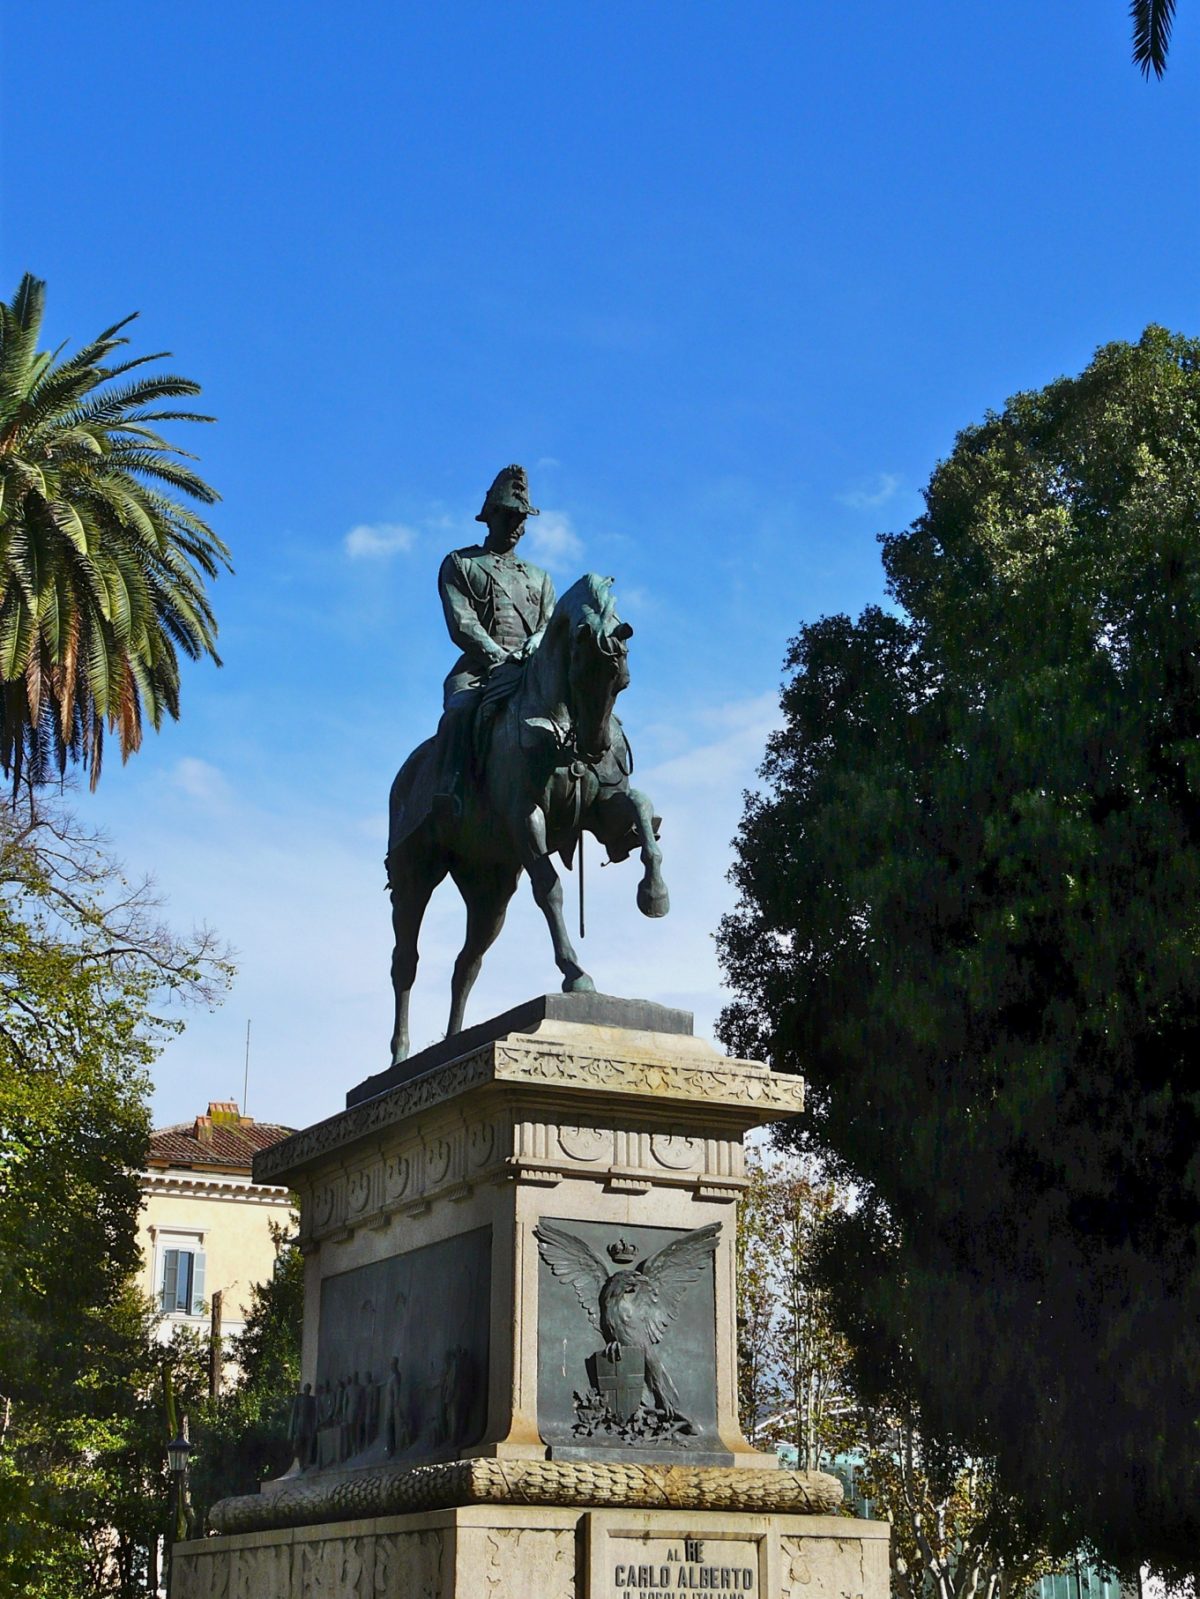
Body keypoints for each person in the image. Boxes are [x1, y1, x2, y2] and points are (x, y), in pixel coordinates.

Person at [432, 465, 556, 817]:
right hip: (481, 671)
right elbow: (462, 623)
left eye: (522, 518)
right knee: (459, 712)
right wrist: (500, 658)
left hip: (532, 671)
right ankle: (449, 789)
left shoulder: (540, 577)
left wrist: (537, 645)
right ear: (490, 515)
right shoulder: (461, 564)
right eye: (509, 515)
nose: (517, 525)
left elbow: (550, 624)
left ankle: (605, 798)